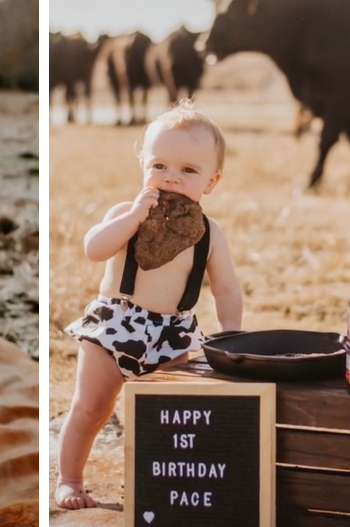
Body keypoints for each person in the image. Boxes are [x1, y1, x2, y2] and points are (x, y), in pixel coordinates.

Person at [55, 99, 243, 509]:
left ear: (211, 181)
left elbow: (226, 288)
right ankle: (70, 478)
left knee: (173, 414)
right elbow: (93, 248)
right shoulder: (126, 212)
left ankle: (165, 481)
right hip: (115, 326)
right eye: (159, 166)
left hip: (174, 334)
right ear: (143, 165)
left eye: (188, 170)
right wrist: (132, 219)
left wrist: (230, 334)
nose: (170, 179)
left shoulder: (210, 234)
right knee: (90, 409)